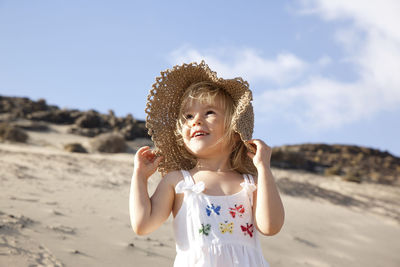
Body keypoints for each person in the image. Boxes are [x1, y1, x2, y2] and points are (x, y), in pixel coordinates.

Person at [129, 61, 284, 266]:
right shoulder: (178, 181)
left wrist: (263, 168)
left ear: (235, 131)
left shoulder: (250, 183)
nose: (196, 121)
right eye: (188, 116)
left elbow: (270, 226)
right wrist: (139, 177)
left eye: (209, 112)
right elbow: (143, 224)